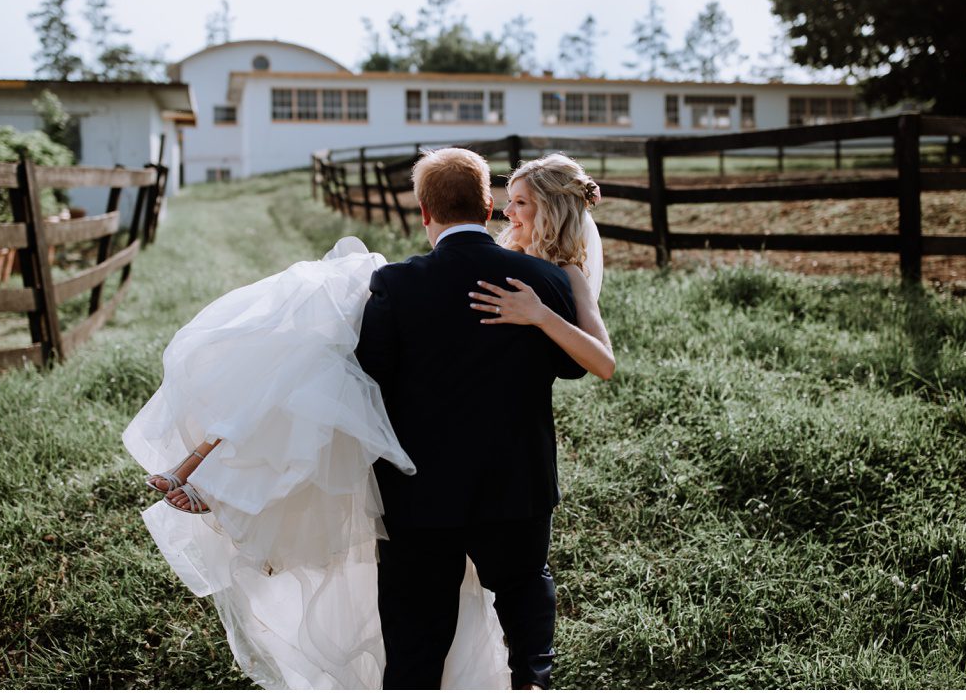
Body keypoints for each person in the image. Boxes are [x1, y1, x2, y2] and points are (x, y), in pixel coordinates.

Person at [122, 148, 612, 689]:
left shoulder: (397, 286)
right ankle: (534, 682)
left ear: (424, 212)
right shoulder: (543, 280)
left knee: (415, 640)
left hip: (417, 495)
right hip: (516, 482)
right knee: (522, 589)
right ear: (488, 204)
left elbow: (360, 386)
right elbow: (576, 367)